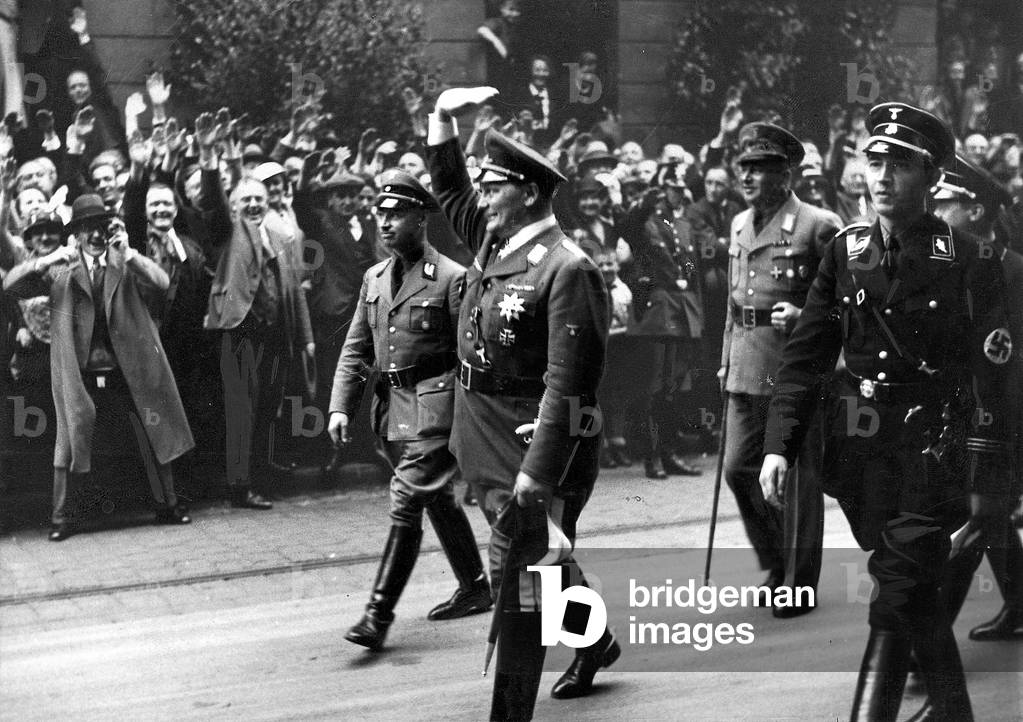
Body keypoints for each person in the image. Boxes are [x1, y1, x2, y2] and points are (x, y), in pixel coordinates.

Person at [759, 103, 1015, 721]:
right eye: (874, 162)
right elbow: (805, 356)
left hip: (936, 452)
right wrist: (778, 445)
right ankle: (953, 711)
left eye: (899, 164)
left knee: (898, 585)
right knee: (908, 584)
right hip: (862, 454)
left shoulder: (971, 259)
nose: (882, 176)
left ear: (931, 178)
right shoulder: (845, 252)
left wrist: (987, 481)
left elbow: (994, 378)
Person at [425, 86, 615, 721]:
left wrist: (538, 469)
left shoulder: (567, 268)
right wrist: (442, 116)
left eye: (494, 187)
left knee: (520, 582)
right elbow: (451, 188)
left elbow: (568, 382)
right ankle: (595, 641)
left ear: (529, 193)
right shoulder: (496, 238)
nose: (481, 197)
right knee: (542, 560)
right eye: (483, 185)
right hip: (482, 430)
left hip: (533, 442)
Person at [327, 170, 491, 650]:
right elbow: (357, 348)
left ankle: (377, 615)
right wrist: (340, 407)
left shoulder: (452, 279)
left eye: (396, 214)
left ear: (421, 219)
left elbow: (470, 355)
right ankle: (475, 586)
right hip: (392, 410)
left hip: (437, 410)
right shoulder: (374, 278)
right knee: (435, 498)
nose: (385, 222)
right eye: (381, 213)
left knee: (406, 497)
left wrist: (469, 421)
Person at [4, 194, 194, 540]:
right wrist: (44, 260)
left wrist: (131, 254)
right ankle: (61, 518)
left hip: (126, 369)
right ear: (76, 233)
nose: (95, 235)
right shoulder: (61, 268)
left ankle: (168, 504)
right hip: (80, 372)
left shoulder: (124, 262)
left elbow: (162, 283)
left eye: (101, 227)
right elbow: (11, 286)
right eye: (88, 228)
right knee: (69, 440)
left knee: (152, 429)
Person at [720, 122, 840, 615]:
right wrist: (725, 362)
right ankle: (774, 561)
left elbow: (848, 302)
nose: (747, 176)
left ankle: (797, 582)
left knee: (797, 478)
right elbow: (733, 304)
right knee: (738, 469)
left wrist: (806, 316)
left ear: (785, 175)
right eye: (744, 167)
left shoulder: (818, 224)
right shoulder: (738, 224)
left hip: (796, 369)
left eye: (760, 168)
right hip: (747, 366)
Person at [928, 156, 1023, 647]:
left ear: (977, 211)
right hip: (958, 416)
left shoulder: (1012, 272)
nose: (937, 213)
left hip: (1002, 421)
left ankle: (930, 641)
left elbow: (1006, 360)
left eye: (947, 203)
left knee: (977, 518)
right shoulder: (947, 267)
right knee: (990, 515)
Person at [199, 111, 314, 511]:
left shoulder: (281, 235)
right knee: (241, 409)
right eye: (245, 200)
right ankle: (240, 486)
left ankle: (261, 479)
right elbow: (212, 203)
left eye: (258, 200)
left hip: (275, 333)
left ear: (269, 204)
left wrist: (306, 338)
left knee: (268, 406)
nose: (252, 205)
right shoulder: (229, 232)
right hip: (239, 330)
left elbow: (293, 290)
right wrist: (211, 160)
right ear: (235, 206)